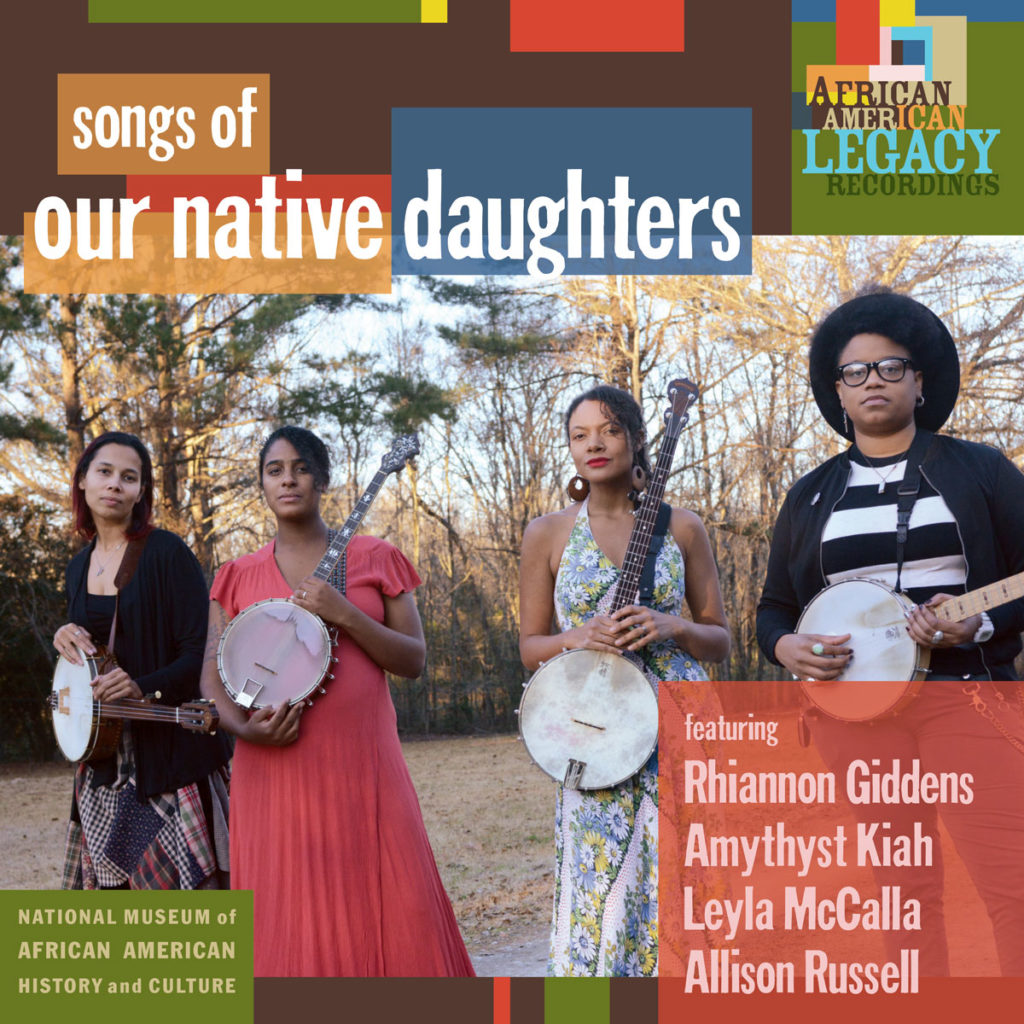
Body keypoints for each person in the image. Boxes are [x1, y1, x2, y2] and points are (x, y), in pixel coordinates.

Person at [756, 289, 1024, 975]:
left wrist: (982, 620)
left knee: (1009, 885)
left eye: (890, 366)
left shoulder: (981, 470)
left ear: (920, 380)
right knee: (904, 894)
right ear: (837, 394)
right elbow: (775, 609)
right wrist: (788, 647)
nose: (872, 380)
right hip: (855, 716)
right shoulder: (810, 495)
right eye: (856, 371)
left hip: (966, 696)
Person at [200, 425, 473, 977]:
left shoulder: (376, 557)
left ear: (322, 479)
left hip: (363, 764)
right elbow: (210, 678)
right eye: (274, 470)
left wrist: (345, 613)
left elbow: (414, 660)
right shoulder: (234, 576)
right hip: (270, 766)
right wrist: (245, 730)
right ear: (262, 486)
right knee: (285, 909)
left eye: (300, 467)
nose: (288, 479)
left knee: (397, 898)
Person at [519, 384, 731, 976]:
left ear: (638, 439)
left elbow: (720, 639)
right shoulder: (548, 533)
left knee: (686, 875)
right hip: (593, 725)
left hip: (682, 720)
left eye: (609, 430)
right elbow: (530, 647)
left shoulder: (682, 527)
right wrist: (575, 636)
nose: (594, 444)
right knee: (600, 884)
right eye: (579, 434)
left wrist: (672, 625)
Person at [52, 431, 230, 890]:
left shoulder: (167, 554)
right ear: (83, 482)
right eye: (105, 472)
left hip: (170, 757)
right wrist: (62, 636)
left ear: (141, 492)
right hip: (103, 759)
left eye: (129, 477)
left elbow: (201, 655)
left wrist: (142, 685)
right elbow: (86, 661)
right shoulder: (77, 567)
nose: (115, 484)